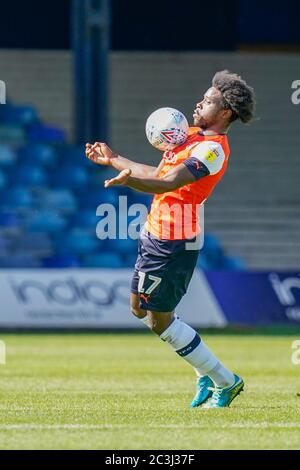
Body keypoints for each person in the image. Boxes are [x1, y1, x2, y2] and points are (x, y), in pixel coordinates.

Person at [86, 70, 255, 408]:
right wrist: (113, 159)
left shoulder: (212, 150)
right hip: (155, 231)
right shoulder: (190, 135)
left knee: (158, 320)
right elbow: (157, 173)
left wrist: (127, 182)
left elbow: (169, 183)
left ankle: (224, 379)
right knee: (140, 309)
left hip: (175, 241)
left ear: (224, 113)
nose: (199, 102)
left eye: (207, 101)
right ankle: (204, 371)